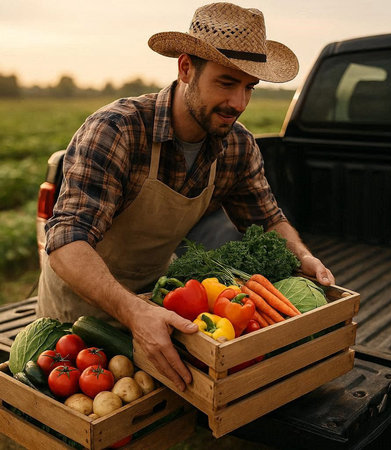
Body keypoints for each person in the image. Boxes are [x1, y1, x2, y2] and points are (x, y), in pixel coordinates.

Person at [37, 2, 335, 391]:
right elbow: (65, 242)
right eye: (226, 83)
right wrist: (133, 310)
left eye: (249, 88)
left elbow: (266, 218)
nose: (239, 104)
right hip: (80, 314)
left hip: (160, 304)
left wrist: (304, 257)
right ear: (185, 68)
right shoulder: (118, 130)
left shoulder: (236, 145)